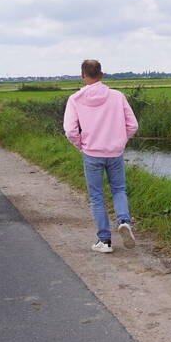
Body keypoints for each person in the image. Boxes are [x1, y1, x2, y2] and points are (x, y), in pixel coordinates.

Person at [63, 59, 138, 253]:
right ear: (101, 74)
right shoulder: (117, 96)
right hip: (115, 152)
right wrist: (121, 141)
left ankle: (104, 241)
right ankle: (123, 220)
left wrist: (81, 145)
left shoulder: (75, 99)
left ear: (82, 75)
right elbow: (133, 125)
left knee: (96, 197)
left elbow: (70, 130)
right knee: (118, 189)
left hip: (91, 152)